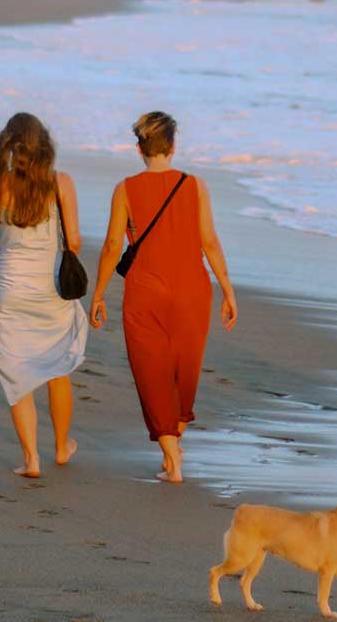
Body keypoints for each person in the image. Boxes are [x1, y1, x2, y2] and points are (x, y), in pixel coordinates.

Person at [89, 111, 239, 484]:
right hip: (192, 290)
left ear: (139, 148)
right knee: (183, 373)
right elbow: (209, 242)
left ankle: (172, 457)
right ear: (172, 146)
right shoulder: (195, 186)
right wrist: (227, 289)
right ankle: (174, 445)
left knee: (151, 372)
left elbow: (111, 246)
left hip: (145, 292)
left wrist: (99, 293)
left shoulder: (125, 189)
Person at [0, 113, 87, 477]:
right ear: (45, 146)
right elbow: (73, 241)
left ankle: (30, 459)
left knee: (16, 371)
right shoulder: (61, 183)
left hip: (9, 288)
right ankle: (60, 447)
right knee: (58, 368)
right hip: (49, 291)